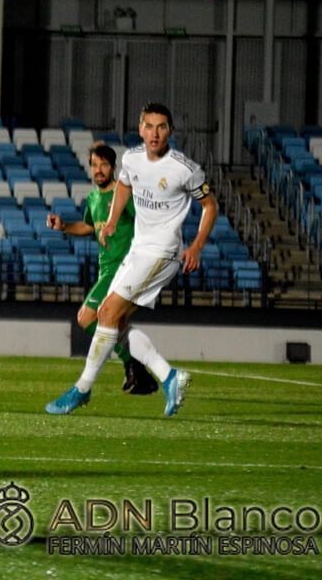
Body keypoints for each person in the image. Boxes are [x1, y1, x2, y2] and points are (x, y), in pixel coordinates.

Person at [45, 103, 216, 417]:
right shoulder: (132, 159)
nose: (155, 133)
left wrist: (196, 246)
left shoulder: (184, 168)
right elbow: (124, 185)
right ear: (140, 129)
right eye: (149, 126)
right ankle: (168, 376)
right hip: (140, 250)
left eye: (161, 127)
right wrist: (111, 221)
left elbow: (210, 206)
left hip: (162, 251)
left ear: (170, 131)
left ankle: (82, 389)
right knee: (113, 320)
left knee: (105, 313)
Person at [45, 143, 157, 397]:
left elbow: (145, 222)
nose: (98, 170)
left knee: (86, 317)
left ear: (113, 167)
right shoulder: (93, 199)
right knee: (117, 326)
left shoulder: (123, 194)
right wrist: (64, 226)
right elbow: (88, 227)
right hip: (106, 270)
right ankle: (141, 376)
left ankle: (133, 365)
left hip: (122, 269)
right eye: (94, 165)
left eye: (104, 165)